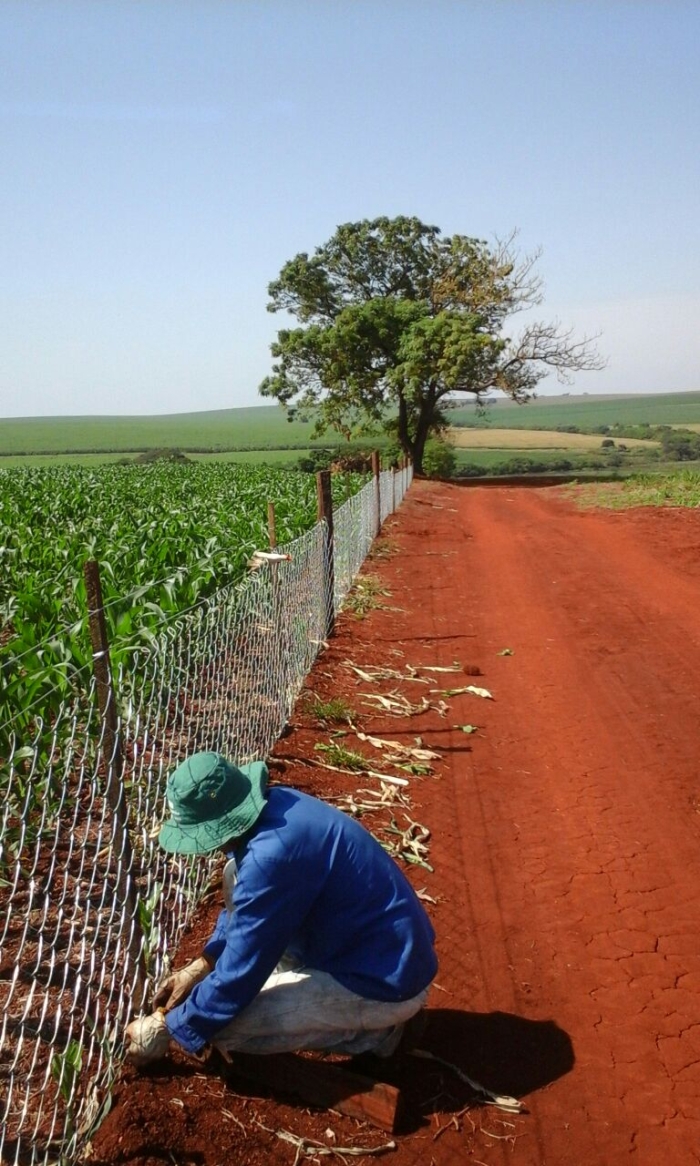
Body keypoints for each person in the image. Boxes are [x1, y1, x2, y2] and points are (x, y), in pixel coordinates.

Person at [125, 751, 437, 1067]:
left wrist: (170, 1028)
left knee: (222, 1026)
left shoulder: (270, 861)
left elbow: (239, 975)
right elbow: (246, 913)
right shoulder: (279, 807)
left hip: (385, 979)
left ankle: (384, 1035)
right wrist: (202, 966)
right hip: (383, 948)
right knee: (235, 874)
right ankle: (332, 999)